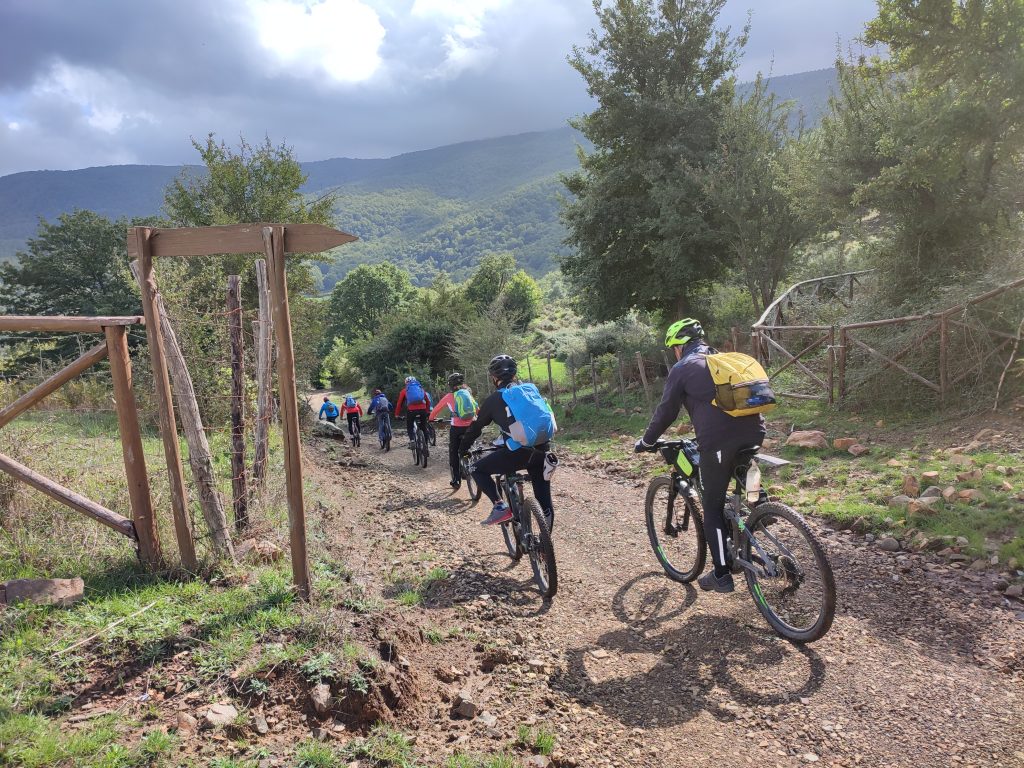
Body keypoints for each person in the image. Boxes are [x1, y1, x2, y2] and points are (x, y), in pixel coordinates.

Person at [634, 318, 766, 594]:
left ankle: (721, 574)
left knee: (713, 505)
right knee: (738, 468)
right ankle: (760, 507)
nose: (674, 354)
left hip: (718, 441)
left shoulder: (683, 368)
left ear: (679, 347)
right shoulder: (722, 359)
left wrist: (647, 441)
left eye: (673, 349)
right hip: (755, 431)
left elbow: (666, 411)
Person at [459, 355, 554, 527]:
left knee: (476, 469)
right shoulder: (530, 391)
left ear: (494, 377)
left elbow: (476, 428)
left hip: (517, 454)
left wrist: (463, 448)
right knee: (544, 502)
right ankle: (544, 547)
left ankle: (500, 506)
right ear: (514, 374)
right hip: (543, 450)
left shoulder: (494, 400)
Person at [430, 372, 479, 488]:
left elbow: (436, 410)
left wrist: (431, 419)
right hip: (471, 426)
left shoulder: (448, 397)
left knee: (454, 452)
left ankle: (456, 479)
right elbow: (477, 409)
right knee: (473, 446)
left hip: (457, 428)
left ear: (450, 385)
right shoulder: (467, 394)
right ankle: (475, 463)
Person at [394, 376, 433, 444]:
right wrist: (427, 411)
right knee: (424, 427)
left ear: (406, 383)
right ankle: (426, 445)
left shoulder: (404, 390)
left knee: (410, 426)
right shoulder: (421, 389)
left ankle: (412, 440)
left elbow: (399, 404)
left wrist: (397, 414)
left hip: (411, 411)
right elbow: (428, 401)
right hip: (422, 410)